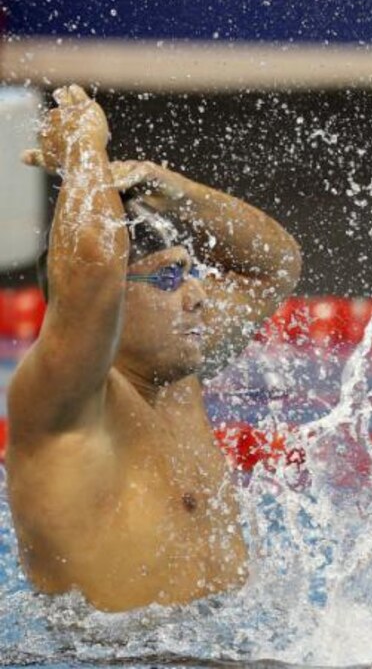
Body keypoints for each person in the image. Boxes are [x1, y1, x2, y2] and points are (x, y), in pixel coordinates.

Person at [4, 85, 302, 612]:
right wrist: (82, 150)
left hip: (216, 644)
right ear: (107, 304)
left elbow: (273, 266)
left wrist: (179, 191)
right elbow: (93, 265)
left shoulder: (177, 376)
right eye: (167, 277)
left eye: (191, 272)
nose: (196, 295)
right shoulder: (63, 400)